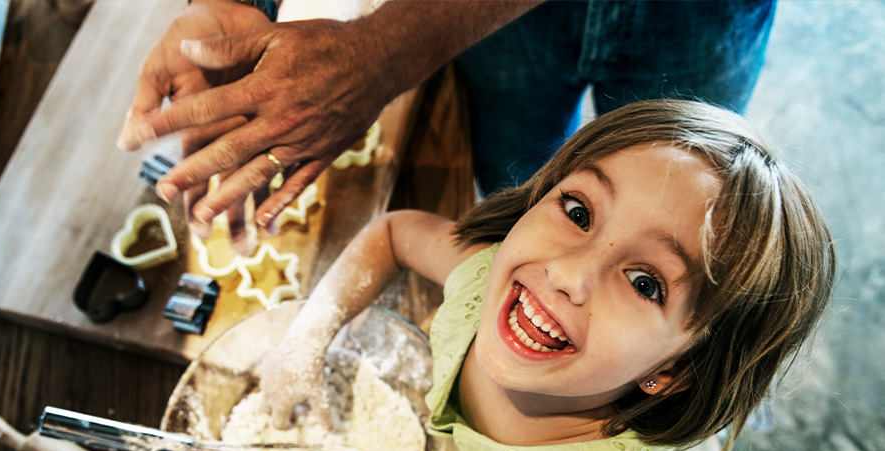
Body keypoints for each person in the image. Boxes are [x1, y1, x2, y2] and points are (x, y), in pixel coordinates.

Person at [255, 99, 836, 451]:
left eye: (645, 282)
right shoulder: (482, 274)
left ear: (673, 369)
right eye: (580, 212)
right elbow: (393, 233)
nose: (567, 273)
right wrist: (307, 337)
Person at [116, 0, 775, 242]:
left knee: (675, 213)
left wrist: (382, 53)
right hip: (497, 26)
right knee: (513, 188)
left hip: (697, 16)